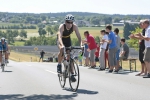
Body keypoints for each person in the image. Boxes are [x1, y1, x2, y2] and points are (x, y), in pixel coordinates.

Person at [57, 14, 82, 82]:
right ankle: (59, 64)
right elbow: (60, 37)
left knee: (70, 55)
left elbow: (79, 37)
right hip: (60, 39)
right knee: (62, 50)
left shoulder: (74, 27)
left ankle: (71, 74)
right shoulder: (62, 26)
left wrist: (81, 45)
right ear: (65, 22)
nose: (70, 24)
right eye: (68, 22)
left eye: (71, 22)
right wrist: (62, 45)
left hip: (67, 39)